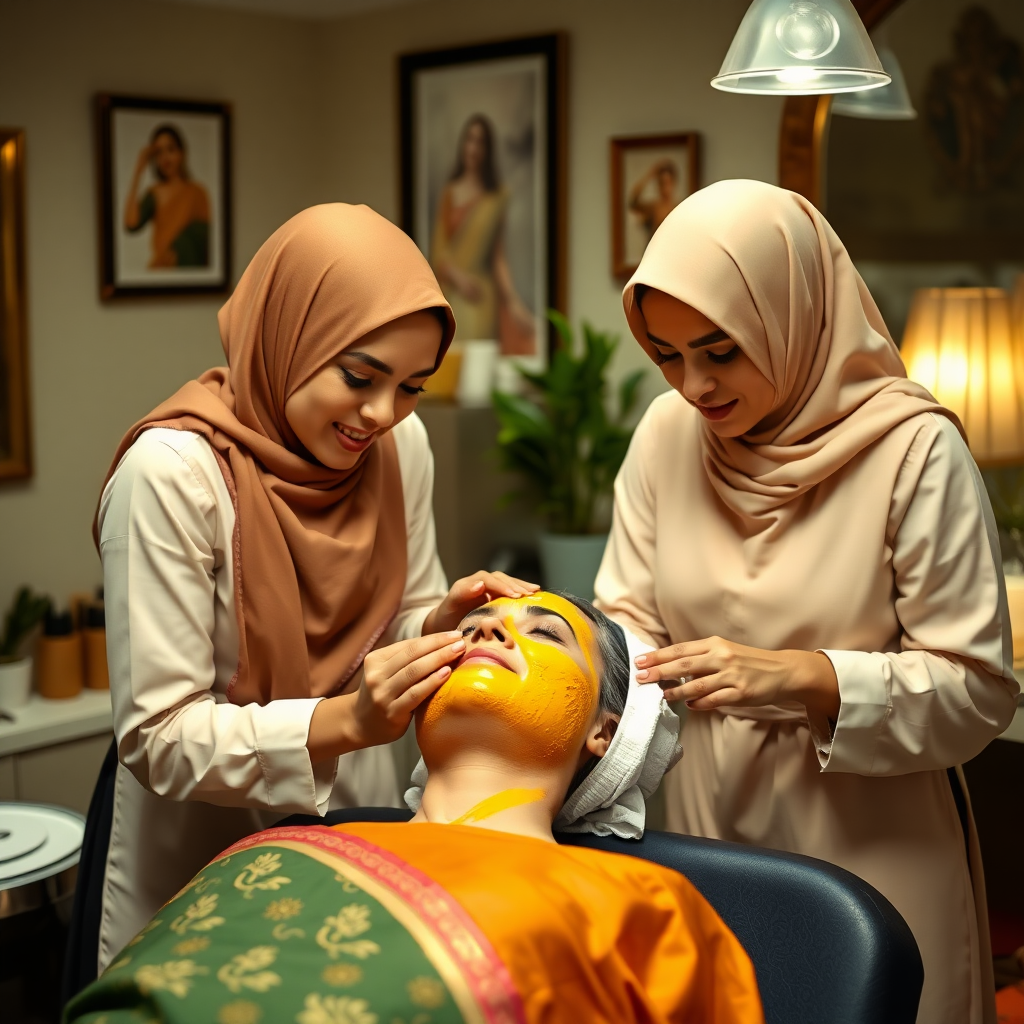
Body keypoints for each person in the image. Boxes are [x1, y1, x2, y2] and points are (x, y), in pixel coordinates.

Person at [595, 179, 1021, 1024]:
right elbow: (628, 620)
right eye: (670, 356)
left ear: (793, 317)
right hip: (702, 827)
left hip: (871, 843)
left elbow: (978, 691)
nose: (694, 387)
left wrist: (801, 679)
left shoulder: (914, 452)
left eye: (720, 352)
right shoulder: (663, 435)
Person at [86, 204, 538, 981]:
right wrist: (343, 720)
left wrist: (435, 622)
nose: (380, 414)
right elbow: (159, 735)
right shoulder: (172, 477)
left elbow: (394, 612)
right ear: (291, 336)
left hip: (354, 825)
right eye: (359, 377)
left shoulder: (401, 448)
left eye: (411, 387)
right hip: (198, 842)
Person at [64, 592, 764, 1024]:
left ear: (605, 731)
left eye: (543, 634)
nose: (487, 633)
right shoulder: (276, 849)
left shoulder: (648, 911)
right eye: (476, 626)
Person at [429, 113, 536, 355]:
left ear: (488, 149)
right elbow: (438, 251)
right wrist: (459, 279)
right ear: (462, 145)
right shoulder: (450, 193)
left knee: (479, 370)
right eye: (470, 140)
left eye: (481, 142)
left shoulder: (496, 197)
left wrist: (513, 301)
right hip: (453, 296)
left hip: (482, 298)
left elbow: (498, 256)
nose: (474, 148)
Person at [124, 124, 212, 268]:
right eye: (159, 152)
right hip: (162, 268)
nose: (165, 157)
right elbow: (131, 224)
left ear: (181, 153)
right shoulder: (155, 193)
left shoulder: (198, 192)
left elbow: (205, 236)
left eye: (170, 149)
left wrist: (180, 248)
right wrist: (138, 172)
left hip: (190, 269)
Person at [629, 158, 681, 237]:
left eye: (667, 183)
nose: (665, 188)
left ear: (673, 183)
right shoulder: (654, 208)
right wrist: (650, 175)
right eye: (661, 183)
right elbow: (633, 202)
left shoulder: (679, 208)